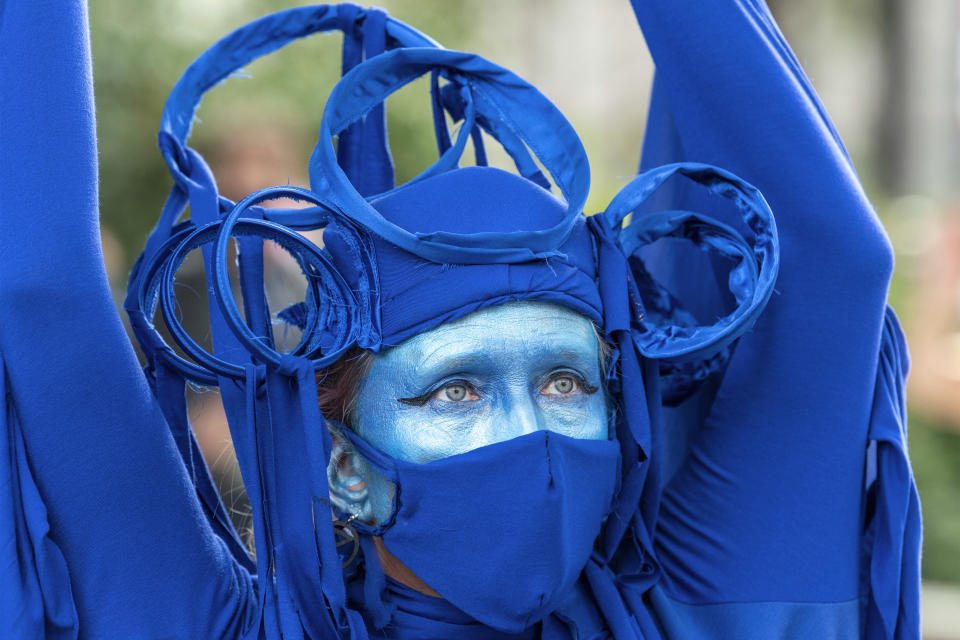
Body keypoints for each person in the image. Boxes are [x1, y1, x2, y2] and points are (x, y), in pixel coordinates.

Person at [0, 2, 920, 639]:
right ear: (347, 470)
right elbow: (41, 288)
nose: (534, 437)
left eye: (564, 380)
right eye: (455, 388)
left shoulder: (698, 609)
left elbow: (835, 264)